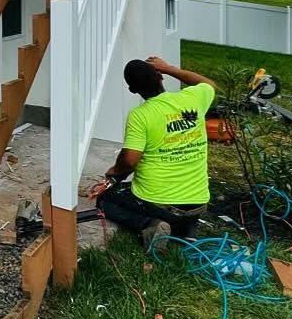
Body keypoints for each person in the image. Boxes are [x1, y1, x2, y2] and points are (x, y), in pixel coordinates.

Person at [86, 55, 217, 249]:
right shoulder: (192, 98)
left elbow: (130, 160)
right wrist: (168, 67)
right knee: (184, 210)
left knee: (107, 199)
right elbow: (208, 84)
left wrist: (113, 174)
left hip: (159, 203)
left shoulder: (141, 115)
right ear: (160, 77)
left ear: (133, 90)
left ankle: (150, 223)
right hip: (197, 202)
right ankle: (185, 230)